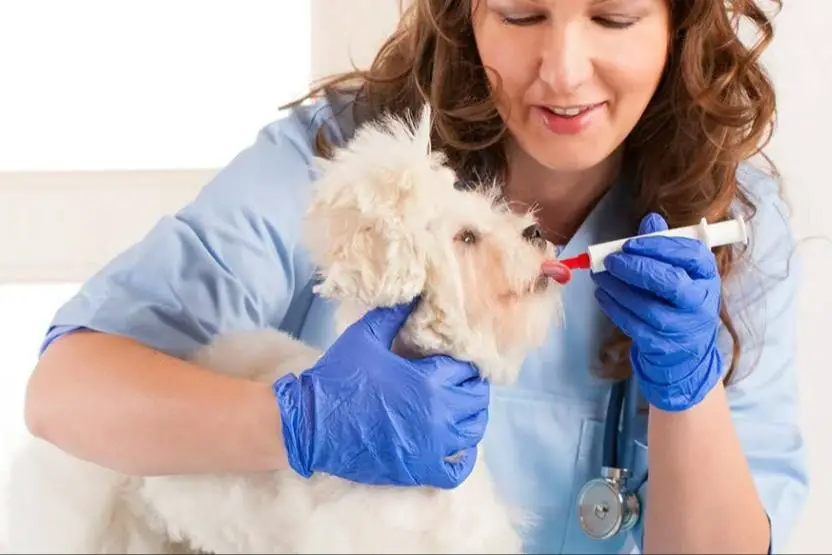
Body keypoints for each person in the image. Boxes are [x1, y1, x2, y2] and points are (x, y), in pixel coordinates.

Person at [23, 0, 807, 552]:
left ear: (677, 24)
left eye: (614, 18)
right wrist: (303, 424)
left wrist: (688, 393)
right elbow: (63, 393)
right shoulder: (341, 164)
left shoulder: (733, 222)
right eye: (522, 14)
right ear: (467, 13)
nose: (564, 72)